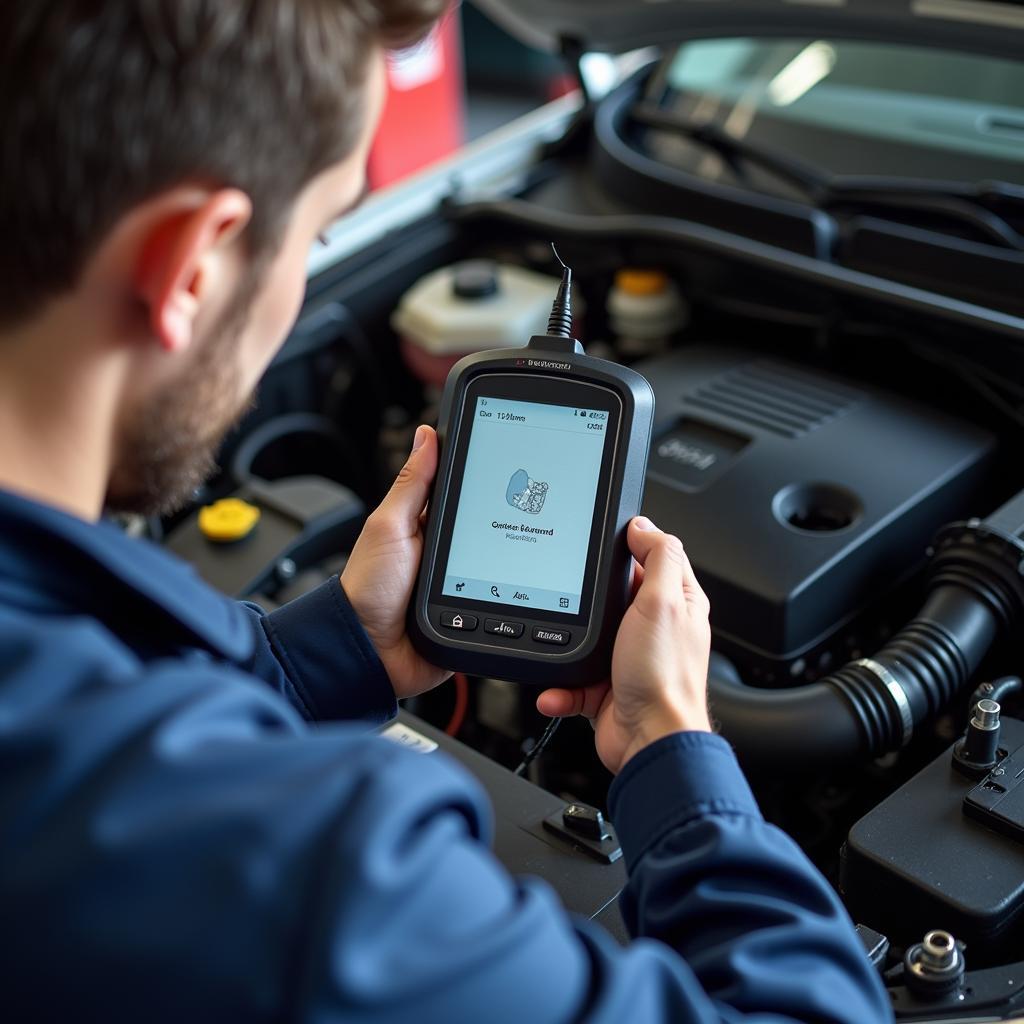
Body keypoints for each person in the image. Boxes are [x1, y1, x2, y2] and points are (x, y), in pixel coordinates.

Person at [0, 3, 892, 1022]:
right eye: (320, 230)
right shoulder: (308, 871)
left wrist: (336, 650)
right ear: (190, 263)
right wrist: (672, 749)